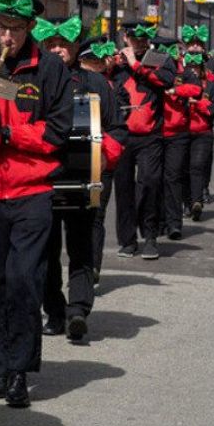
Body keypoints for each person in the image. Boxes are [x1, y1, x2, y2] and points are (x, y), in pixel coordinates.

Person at [0, 0, 73, 408]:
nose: (6, 36)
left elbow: (58, 133)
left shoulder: (49, 69)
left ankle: (20, 370)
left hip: (32, 191)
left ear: (30, 28)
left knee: (23, 280)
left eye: (14, 28)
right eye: (1, 27)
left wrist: (9, 134)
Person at [33, 22, 124, 342]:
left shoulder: (96, 82)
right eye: (51, 42)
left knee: (80, 244)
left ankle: (78, 310)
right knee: (44, 249)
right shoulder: (32, 79)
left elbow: (118, 128)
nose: (57, 48)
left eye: (63, 43)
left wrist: (104, 155)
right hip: (41, 174)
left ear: (75, 47)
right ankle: (54, 311)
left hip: (82, 172)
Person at [113, 22, 176, 261]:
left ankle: (150, 237)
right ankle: (128, 240)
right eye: (133, 37)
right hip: (122, 135)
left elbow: (166, 81)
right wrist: (111, 64)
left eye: (142, 38)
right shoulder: (116, 61)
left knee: (150, 184)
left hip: (150, 135)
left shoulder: (160, 59)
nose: (138, 42)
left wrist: (136, 65)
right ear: (126, 38)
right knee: (124, 189)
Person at [79, 39, 120, 280]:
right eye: (91, 61)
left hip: (99, 160)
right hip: (71, 159)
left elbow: (117, 129)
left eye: (99, 61)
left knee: (96, 215)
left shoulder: (107, 87)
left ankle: (92, 267)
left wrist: (105, 153)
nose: (97, 66)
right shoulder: (67, 82)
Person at [153, 37, 201, 243]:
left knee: (173, 177)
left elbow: (196, 89)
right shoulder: (152, 69)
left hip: (177, 133)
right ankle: (158, 221)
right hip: (154, 131)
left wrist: (175, 90)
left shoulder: (185, 71)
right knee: (154, 179)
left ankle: (174, 223)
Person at [184, 52, 214, 221]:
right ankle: (187, 203)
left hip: (203, 132)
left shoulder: (210, 86)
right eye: (190, 67)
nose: (193, 71)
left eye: (196, 68)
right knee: (181, 170)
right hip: (181, 133)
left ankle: (196, 202)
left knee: (197, 166)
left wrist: (199, 104)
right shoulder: (179, 84)